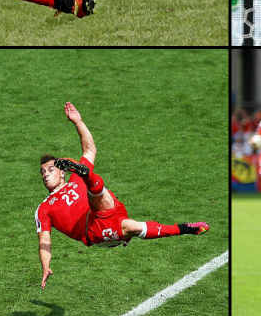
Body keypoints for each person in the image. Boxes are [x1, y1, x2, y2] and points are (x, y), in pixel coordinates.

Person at [36, 103, 209, 289]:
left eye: (50, 169)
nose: (45, 174)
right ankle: (185, 228)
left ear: (62, 173)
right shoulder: (44, 208)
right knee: (128, 224)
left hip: (111, 210)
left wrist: (78, 122)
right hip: (93, 230)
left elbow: (90, 150)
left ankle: (88, 176)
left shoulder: (74, 179)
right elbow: (45, 239)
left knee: (119, 214)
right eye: (42, 172)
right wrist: (45, 265)